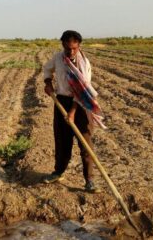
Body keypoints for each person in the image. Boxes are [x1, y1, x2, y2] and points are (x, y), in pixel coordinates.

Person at [43, 30, 106, 192]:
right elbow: (47, 70)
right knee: (62, 140)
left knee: (85, 143)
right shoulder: (58, 58)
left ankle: (89, 180)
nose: (71, 51)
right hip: (61, 101)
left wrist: (72, 112)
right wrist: (48, 83)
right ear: (63, 44)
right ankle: (58, 171)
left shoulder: (84, 65)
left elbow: (82, 92)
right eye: (67, 48)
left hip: (81, 104)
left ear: (78, 46)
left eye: (74, 48)